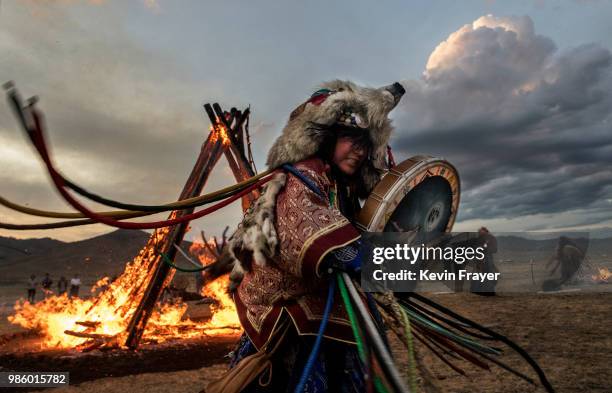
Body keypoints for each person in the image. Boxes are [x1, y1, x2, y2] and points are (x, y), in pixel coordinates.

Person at [206, 80, 405, 393]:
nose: (359, 149)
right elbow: (309, 229)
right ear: (326, 139)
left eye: (365, 143)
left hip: (328, 311)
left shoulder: (342, 188)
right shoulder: (299, 176)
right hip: (289, 320)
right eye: (349, 138)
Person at [471, 227, 498, 295]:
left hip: (487, 258)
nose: (480, 233)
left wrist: (485, 249)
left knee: (489, 274)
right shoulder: (478, 239)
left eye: (482, 232)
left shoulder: (491, 238)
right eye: (479, 232)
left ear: (486, 232)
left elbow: (494, 249)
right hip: (478, 259)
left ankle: (489, 290)